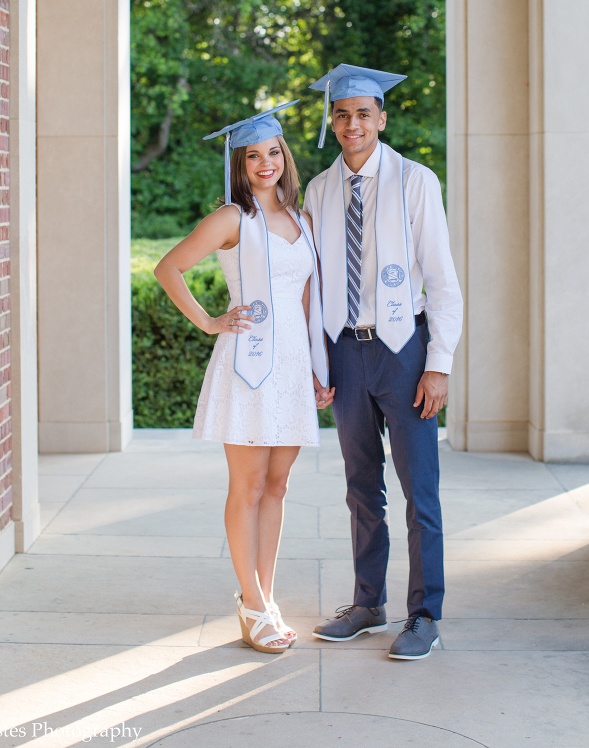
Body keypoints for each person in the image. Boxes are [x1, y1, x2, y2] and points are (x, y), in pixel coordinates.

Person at [154, 102, 332, 655]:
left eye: (273, 152)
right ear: (240, 162)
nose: (264, 163)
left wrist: (317, 371)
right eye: (252, 155)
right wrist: (210, 321)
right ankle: (251, 603)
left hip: (291, 368)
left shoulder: (302, 220)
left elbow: (308, 300)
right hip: (248, 365)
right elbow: (169, 267)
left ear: (286, 156)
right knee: (248, 487)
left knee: (278, 486)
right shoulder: (233, 218)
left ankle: (265, 598)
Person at [303, 64, 463, 660]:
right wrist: (318, 361)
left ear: (381, 119)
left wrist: (439, 362)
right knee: (360, 486)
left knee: (420, 488)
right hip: (346, 351)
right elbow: (313, 284)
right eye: (342, 115)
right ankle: (368, 602)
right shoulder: (319, 191)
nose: (352, 124)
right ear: (333, 122)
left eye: (363, 114)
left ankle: (424, 614)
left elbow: (443, 280)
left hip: (404, 349)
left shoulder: (415, 181)